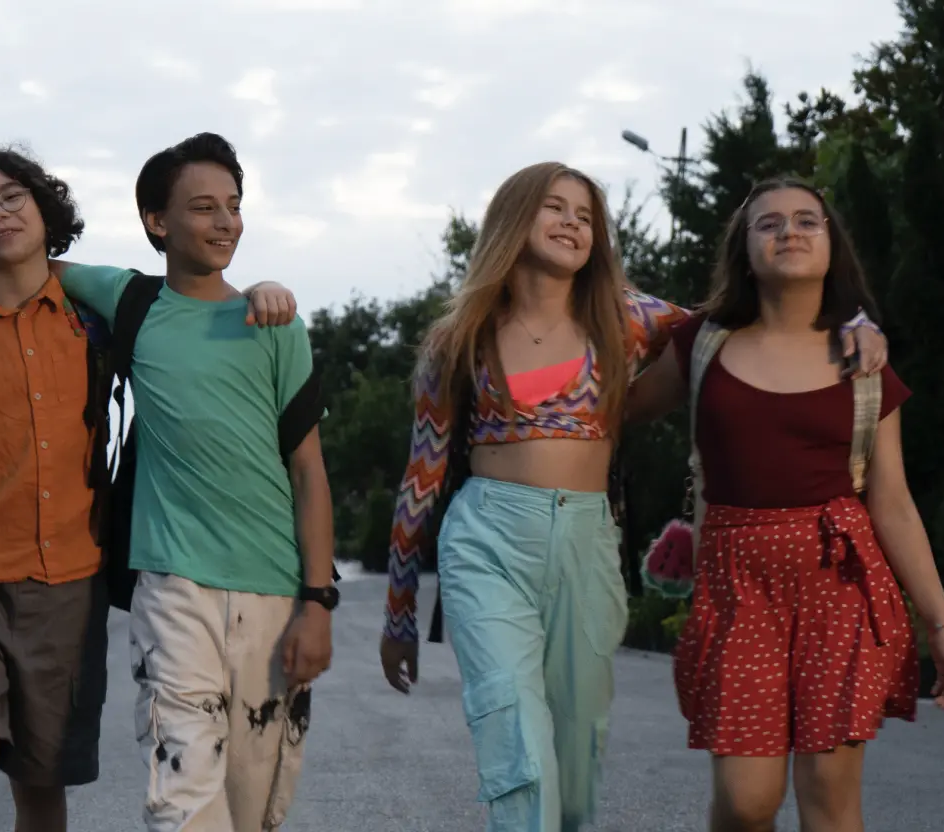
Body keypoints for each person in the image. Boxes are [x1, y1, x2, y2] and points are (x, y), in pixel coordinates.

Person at [378, 162, 889, 831]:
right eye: (554, 207)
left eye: (585, 216)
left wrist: (854, 319)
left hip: (586, 538)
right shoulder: (459, 338)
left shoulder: (622, 317)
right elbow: (421, 478)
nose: (571, 223)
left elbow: (741, 319)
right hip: (487, 537)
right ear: (512, 218)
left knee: (574, 754)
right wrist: (399, 615)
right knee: (513, 727)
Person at [0, 133, 335, 832]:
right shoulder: (130, 303)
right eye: (203, 207)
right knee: (181, 799)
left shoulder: (270, 325)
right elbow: (19, 264)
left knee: (251, 807)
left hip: (268, 586)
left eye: (233, 206)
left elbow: (309, 471)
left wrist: (318, 600)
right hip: (168, 586)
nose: (225, 221)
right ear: (157, 222)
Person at [628, 176, 944, 831]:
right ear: (743, 250)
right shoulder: (702, 343)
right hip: (737, 586)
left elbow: (894, 503)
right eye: (769, 223)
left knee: (829, 799)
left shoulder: (863, 361)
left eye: (806, 220)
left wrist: (943, 626)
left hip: (839, 584)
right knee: (745, 801)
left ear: (831, 244)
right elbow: (614, 410)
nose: (789, 231)